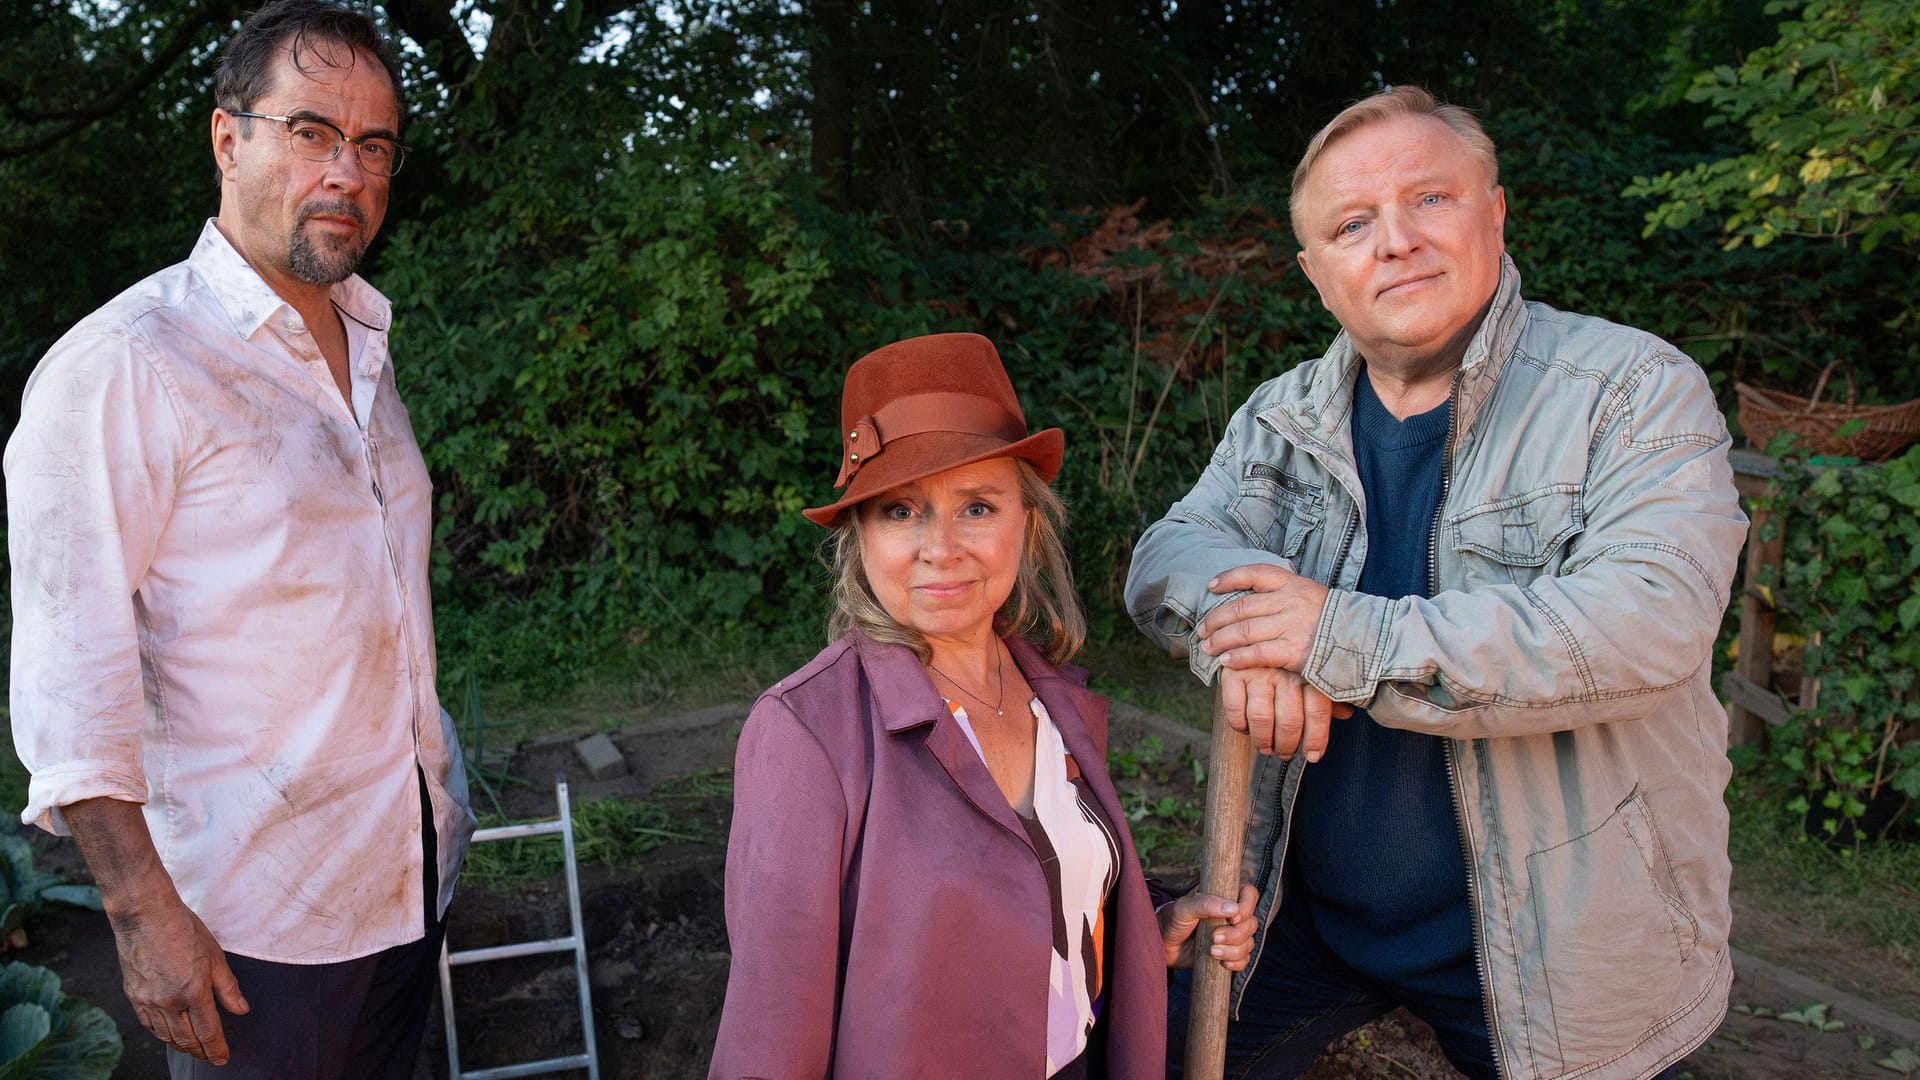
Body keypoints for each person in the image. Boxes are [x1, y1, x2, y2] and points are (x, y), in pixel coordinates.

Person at [1124, 86, 1747, 1080]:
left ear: (1495, 216)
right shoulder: (1282, 419)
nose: (1397, 241)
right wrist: (1242, 637)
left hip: (1559, 955)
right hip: (1305, 909)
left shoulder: (1631, 389)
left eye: (1432, 200)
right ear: (1318, 273)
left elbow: (1649, 623)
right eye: (1354, 224)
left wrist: (1330, 639)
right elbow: (1171, 553)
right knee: (1125, 1051)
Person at [5, 2, 473, 1076]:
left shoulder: (363, 342)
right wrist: (139, 914)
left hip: (403, 872)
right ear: (228, 138)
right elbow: (70, 679)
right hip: (250, 932)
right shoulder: (126, 365)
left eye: (373, 147)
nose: (347, 173)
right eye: (311, 131)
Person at [709, 332, 1259, 1078]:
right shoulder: (807, 733)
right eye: (900, 511)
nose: (941, 547)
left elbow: (1025, 907)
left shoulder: (1052, 701)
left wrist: (1143, 933)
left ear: (1025, 525)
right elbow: (768, 1039)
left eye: (976, 506)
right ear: (858, 537)